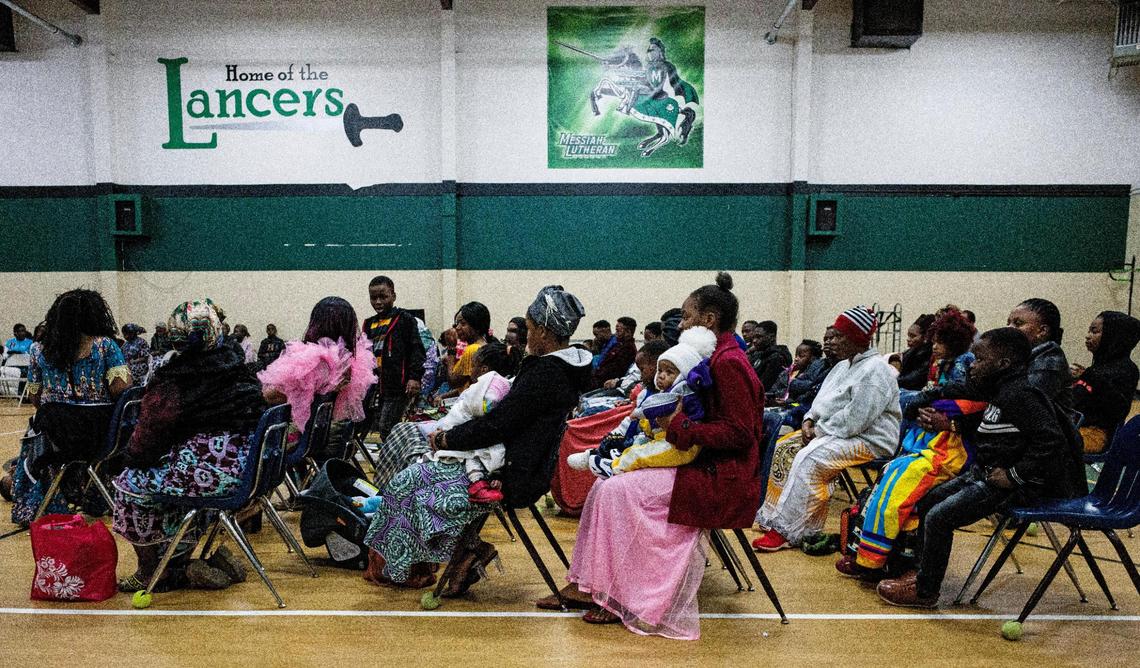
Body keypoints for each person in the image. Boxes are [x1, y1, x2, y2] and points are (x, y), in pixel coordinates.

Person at [547, 272, 763, 640]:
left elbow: (740, 434)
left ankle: (629, 595)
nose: (682, 324)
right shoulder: (711, 356)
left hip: (721, 475)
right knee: (604, 485)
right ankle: (589, 583)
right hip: (700, 461)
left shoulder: (728, 362)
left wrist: (679, 425)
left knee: (619, 492)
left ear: (709, 320)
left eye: (688, 316)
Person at [362, 286, 589, 593]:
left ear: (546, 333)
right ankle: (455, 555)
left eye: (531, 328)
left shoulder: (546, 373)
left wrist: (447, 440)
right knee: (412, 477)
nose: (528, 335)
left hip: (509, 477)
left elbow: (497, 425)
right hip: (522, 467)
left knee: (409, 484)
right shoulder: (565, 370)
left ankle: (414, 565)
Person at [876, 328, 1086, 607]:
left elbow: (1052, 441)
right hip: (986, 473)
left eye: (979, 360)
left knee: (940, 517)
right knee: (929, 502)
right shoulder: (997, 388)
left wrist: (1014, 475)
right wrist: (926, 398)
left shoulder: (1021, 394)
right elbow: (962, 393)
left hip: (1014, 484)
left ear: (1003, 364)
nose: (972, 365)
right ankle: (922, 572)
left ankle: (925, 592)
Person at [112, 299, 267, 593]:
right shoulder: (236, 363)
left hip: (210, 478)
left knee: (130, 484)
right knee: (170, 478)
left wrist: (127, 457)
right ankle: (184, 564)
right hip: (246, 472)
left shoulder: (175, 380)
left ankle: (150, 572)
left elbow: (146, 443)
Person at [755, 306, 901, 551]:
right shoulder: (843, 366)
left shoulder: (875, 370)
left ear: (856, 338)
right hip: (836, 432)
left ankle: (786, 531)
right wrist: (808, 421)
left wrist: (819, 431)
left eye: (840, 336)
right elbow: (821, 402)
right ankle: (789, 523)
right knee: (785, 447)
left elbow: (856, 420)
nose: (832, 342)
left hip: (870, 440)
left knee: (810, 458)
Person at [5, 290, 131, 524]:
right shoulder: (106, 346)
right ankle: (94, 494)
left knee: (37, 436)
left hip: (58, 439)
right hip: (101, 438)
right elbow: (122, 389)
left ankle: (34, 497)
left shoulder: (38, 351)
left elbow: (35, 397)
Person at [570, 326, 717, 478]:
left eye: (669, 372)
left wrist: (639, 414)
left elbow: (652, 410)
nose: (661, 376)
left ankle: (613, 467)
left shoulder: (679, 394)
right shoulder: (663, 391)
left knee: (638, 455)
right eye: (660, 371)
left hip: (679, 446)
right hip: (662, 438)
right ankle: (601, 456)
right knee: (631, 445)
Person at [258, 297, 376, 462]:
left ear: (316, 323)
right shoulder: (351, 361)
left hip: (305, 439)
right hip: (332, 434)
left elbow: (271, 396)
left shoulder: (315, 358)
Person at [421, 342, 523, 504]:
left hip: (470, 443)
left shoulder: (488, 388)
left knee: (415, 453)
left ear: (483, 369)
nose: (470, 370)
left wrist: (444, 433)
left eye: (473, 365)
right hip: (466, 437)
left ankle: (478, 484)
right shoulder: (507, 386)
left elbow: (472, 413)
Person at [361, 276, 426, 438]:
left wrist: (414, 377)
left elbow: (417, 350)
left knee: (387, 427)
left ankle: (393, 461)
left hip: (398, 385)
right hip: (376, 386)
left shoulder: (405, 320)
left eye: (383, 297)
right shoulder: (368, 324)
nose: (378, 302)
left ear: (393, 296)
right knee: (375, 425)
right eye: (373, 298)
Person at [1070, 311, 1140, 453]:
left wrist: (1088, 377)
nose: (1087, 336)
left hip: (1096, 435)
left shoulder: (1126, 370)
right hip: (1074, 426)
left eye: (1094, 331)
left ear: (1114, 336)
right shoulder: (1099, 367)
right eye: (1089, 330)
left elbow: (1114, 409)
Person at [1006, 298, 1072, 410]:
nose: (1008, 328)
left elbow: (1021, 403)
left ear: (1042, 331)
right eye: (1008, 323)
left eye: (1018, 323)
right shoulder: (1022, 355)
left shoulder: (1051, 360)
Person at [436, 302, 491, 402]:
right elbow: (466, 385)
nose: (457, 328)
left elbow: (453, 381)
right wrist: (443, 396)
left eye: (463, 324)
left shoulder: (473, 349)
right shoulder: (483, 345)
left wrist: (451, 349)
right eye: (457, 324)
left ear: (477, 326)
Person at [766, 339, 823, 406]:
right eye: (796, 355)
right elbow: (774, 390)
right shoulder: (786, 373)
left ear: (812, 358)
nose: (796, 359)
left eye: (801, 356)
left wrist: (787, 402)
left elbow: (801, 400)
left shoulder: (812, 374)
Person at [891, 314, 936, 391]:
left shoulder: (928, 355)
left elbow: (913, 379)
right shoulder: (910, 352)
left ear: (925, 337)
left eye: (913, 336)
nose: (908, 339)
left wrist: (890, 381)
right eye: (908, 335)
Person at [593, 316, 637, 389]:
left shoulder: (628, 349)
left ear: (628, 332)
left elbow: (615, 370)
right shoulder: (618, 345)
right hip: (601, 379)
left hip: (608, 384)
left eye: (618, 331)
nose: (616, 333)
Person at [750, 321, 792, 392]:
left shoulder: (777, 358)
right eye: (753, 337)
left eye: (759, 337)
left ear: (772, 337)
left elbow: (764, 386)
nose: (754, 340)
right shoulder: (759, 354)